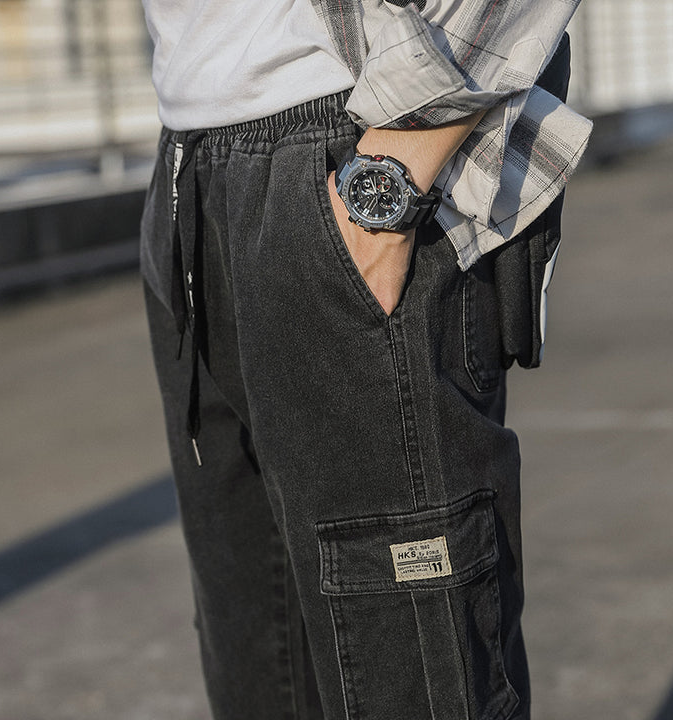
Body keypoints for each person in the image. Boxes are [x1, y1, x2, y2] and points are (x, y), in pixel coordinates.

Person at [139, 1, 592, 718]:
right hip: (189, 170)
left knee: (412, 674)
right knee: (254, 662)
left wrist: (392, 172)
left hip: (350, 145)